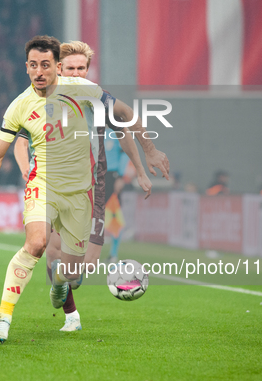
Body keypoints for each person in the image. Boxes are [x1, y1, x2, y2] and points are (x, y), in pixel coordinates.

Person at [0, 35, 169, 343]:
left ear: (59, 68)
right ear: (30, 68)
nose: (41, 71)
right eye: (34, 65)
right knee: (38, 244)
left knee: (75, 272)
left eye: (46, 65)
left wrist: (148, 156)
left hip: (85, 189)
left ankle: (62, 286)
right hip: (44, 184)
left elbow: (125, 118)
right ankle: (3, 318)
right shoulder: (21, 105)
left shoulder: (87, 93)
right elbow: (2, 151)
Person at [13, 41, 158, 332]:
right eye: (71, 68)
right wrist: (25, 170)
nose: (76, 73)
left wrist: (141, 169)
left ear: (88, 69)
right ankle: (71, 316)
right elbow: (20, 140)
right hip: (51, 182)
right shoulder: (41, 97)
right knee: (52, 250)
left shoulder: (97, 98)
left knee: (80, 269)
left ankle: (60, 283)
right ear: (58, 69)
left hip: (93, 186)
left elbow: (124, 129)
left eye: (82, 68)